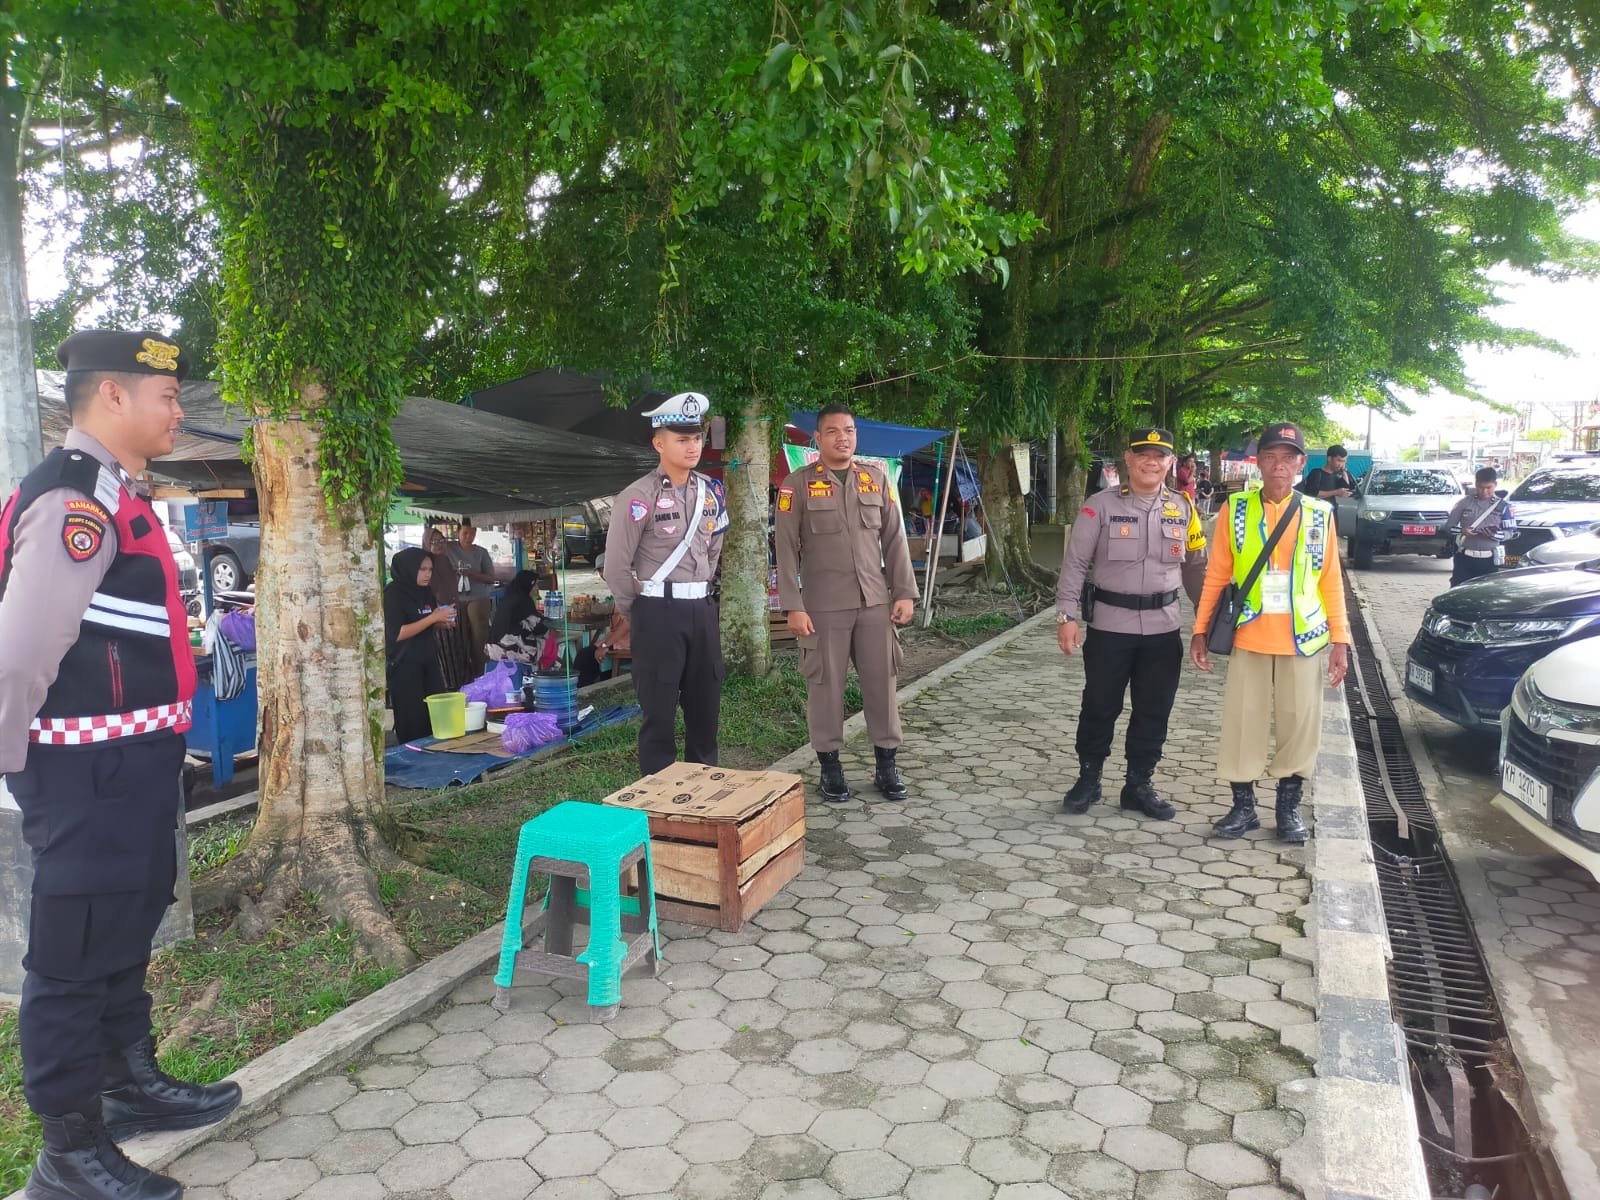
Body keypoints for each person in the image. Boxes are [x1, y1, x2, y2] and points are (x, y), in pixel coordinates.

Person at [0, 330, 241, 1200]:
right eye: (165, 395)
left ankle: (126, 1083)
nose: (178, 411)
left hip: (129, 762)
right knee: (72, 958)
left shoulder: (114, 493)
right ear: (112, 395)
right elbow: (21, 650)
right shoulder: (73, 501)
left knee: (123, 929)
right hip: (84, 773)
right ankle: (68, 1151)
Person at [1191, 421, 1352, 843]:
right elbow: (1217, 574)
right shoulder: (1236, 509)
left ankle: (1287, 808)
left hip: (1304, 638)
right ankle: (1243, 807)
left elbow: (1330, 580)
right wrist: (1200, 629)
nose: (1279, 465)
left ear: (1301, 464)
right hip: (1249, 634)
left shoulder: (1319, 513)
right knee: (1243, 722)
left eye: (1288, 457)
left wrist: (1341, 639)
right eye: (1271, 456)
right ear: (1258, 463)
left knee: (1299, 724)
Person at [1055, 428, 1208, 819]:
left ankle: (1139, 785)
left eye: (1159, 456)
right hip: (1110, 628)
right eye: (1143, 454)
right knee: (1099, 706)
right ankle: (1088, 778)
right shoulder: (1099, 506)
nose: (1151, 462)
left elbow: (1195, 567)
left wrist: (1205, 623)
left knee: (1154, 710)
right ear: (1128, 458)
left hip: (1163, 630)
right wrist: (1067, 615)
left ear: (1170, 462)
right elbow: (1075, 563)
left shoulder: (1184, 507)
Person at [775, 404, 921, 802]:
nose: (843, 437)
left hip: (874, 602)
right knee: (826, 687)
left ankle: (886, 766)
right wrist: (793, 605)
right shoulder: (796, 485)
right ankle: (830, 768)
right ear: (817, 439)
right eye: (833, 431)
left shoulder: (875, 479)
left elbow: (895, 538)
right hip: (823, 607)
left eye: (849, 430)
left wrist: (904, 592)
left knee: (882, 683)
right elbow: (784, 548)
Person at [602, 391, 729, 775]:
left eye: (697, 438)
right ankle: (657, 799)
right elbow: (616, 568)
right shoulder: (637, 496)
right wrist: (640, 613)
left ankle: (702, 792)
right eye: (682, 439)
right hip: (657, 612)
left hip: (702, 610)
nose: (693, 446)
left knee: (705, 712)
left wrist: (698, 587)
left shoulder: (712, 491)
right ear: (659, 443)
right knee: (658, 716)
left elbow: (714, 548)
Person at [384, 548, 455, 742]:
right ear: (409, 568)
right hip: (405, 665)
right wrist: (432, 618)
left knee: (435, 714)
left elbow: (425, 622)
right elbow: (396, 634)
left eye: (430, 569)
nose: (427, 574)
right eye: (422, 569)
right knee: (413, 718)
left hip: (428, 660)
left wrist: (441, 622)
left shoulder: (426, 592)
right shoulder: (393, 594)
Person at [1446, 467, 1515, 587]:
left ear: (1495, 485)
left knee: (1487, 592)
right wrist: (1462, 531)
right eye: (1480, 487)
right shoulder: (1464, 503)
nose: (1484, 491)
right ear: (1476, 484)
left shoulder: (1504, 507)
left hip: (1489, 560)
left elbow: (1510, 532)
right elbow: (1448, 527)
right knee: (1459, 590)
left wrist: (1495, 535)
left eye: (1489, 487)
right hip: (1465, 559)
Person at [424, 526, 473, 688]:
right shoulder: (427, 564)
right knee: (446, 649)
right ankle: (450, 685)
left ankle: (463, 684)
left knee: (460, 646)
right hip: (439, 612)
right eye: (434, 542)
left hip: (455, 608)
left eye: (441, 541)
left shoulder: (445, 560)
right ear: (427, 543)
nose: (439, 544)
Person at [446, 520, 496, 674]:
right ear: (458, 533)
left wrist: (472, 574)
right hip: (455, 598)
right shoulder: (448, 548)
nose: (469, 537)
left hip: (477, 596)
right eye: (465, 533)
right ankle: (460, 673)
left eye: (473, 533)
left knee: (479, 634)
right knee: (456, 637)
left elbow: (491, 578)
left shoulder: (481, 552)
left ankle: (481, 671)